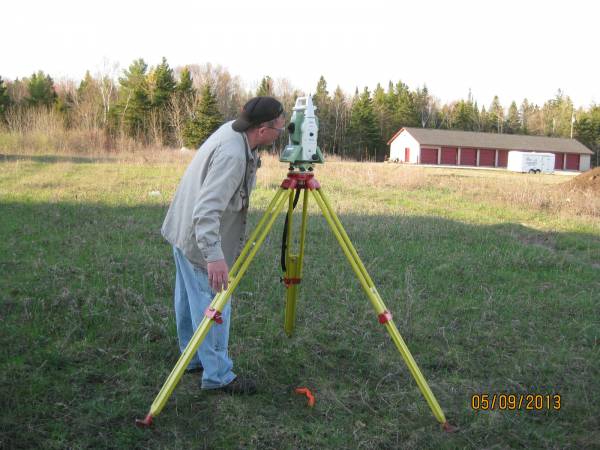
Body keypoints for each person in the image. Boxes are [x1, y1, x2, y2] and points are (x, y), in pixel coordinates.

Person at [161, 96, 286, 394]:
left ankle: (192, 358)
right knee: (214, 303)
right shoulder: (233, 155)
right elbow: (206, 212)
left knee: (191, 300)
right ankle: (217, 376)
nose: (282, 133)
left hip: (183, 232)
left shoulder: (233, 131)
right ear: (262, 129)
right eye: (279, 128)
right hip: (200, 240)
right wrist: (215, 257)